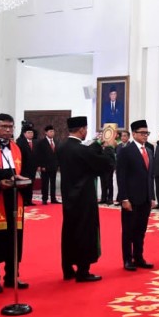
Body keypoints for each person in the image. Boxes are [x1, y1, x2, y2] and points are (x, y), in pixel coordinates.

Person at [58, 116, 115, 282]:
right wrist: (109, 148)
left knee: (68, 231)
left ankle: (67, 269)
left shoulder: (62, 147)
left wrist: (97, 145)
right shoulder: (81, 149)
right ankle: (83, 270)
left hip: (68, 196)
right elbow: (105, 164)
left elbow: (88, 157)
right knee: (85, 231)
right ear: (82, 129)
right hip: (84, 197)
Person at [0, 113, 31, 293]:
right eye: (3, 127)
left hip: (15, 198)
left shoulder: (17, 148)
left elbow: (25, 169)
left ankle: (12, 276)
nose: (8, 130)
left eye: (11, 127)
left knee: (14, 238)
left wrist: (24, 182)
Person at [116, 120, 155, 272]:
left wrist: (151, 196)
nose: (145, 136)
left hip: (145, 198)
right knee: (128, 231)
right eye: (142, 133)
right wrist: (124, 198)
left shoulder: (150, 151)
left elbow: (149, 177)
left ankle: (139, 257)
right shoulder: (126, 151)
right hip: (131, 199)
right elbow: (121, 176)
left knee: (141, 230)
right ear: (134, 134)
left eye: (147, 133)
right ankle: (127, 259)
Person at [35, 125, 59, 204]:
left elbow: (57, 154)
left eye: (53, 131)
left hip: (54, 166)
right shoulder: (41, 142)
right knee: (45, 183)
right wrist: (41, 166)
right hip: (45, 167)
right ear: (46, 132)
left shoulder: (56, 141)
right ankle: (44, 199)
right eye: (50, 131)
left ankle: (53, 198)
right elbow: (39, 155)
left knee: (53, 183)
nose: (52, 133)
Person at [15, 122, 37, 206]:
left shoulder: (35, 142)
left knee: (31, 184)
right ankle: (23, 200)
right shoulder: (20, 142)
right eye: (29, 132)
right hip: (24, 168)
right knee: (24, 185)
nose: (31, 134)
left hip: (32, 168)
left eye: (32, 132)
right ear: (24, 133)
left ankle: (29, 200)